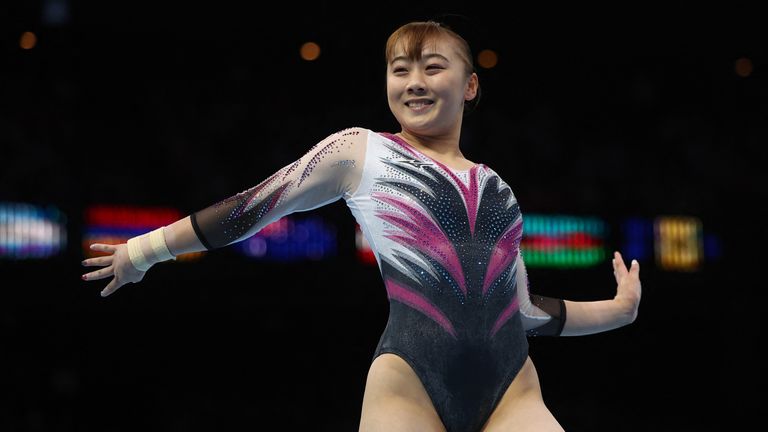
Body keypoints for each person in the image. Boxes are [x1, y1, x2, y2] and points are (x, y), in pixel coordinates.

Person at [81, 20, 642, 432]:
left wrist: (619, 311)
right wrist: (145, 251)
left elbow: (521, 313)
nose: (414, 82)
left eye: (433, 67)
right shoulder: (360, 152)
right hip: (410, 383)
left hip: (513, 392)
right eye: (400, 70)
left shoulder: (499, 191)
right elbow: (252, 207)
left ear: (471, 85)